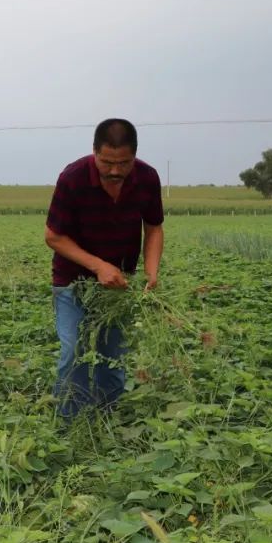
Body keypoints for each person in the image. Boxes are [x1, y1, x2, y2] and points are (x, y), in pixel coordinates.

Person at [44, 118, 164, 420]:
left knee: (113, 355)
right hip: (73, 282)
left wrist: (151, 273)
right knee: (76, 352)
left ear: (134, 156)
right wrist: (98, 266)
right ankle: (70, 424)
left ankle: (108, 419)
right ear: (94, 152)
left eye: (123, 163)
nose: (114, 170)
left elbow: (154, 227)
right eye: (107, 162)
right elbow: (53, 236)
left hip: (121, 285)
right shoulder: (73, 178)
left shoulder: (147, 178)